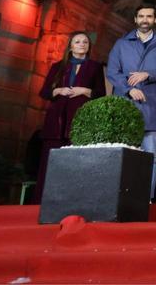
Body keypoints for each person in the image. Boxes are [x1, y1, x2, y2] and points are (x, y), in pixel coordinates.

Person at [106, 4, 156, 199]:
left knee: (150, 156)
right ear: (135, 19)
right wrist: (130, 89)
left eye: (149, 16)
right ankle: (121, 198)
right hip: (125, 106)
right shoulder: (121, 44)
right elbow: (112, 71)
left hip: (152, 107)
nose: (145, 19)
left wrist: (147, 74)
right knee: (123, 154)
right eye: (141, 16)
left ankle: (146, 199)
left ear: (155, 20)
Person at [36, 31, 105, 201]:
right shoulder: (58, 66)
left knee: (76, 163)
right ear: (70, 46)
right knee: (49, 162)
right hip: (56, 122)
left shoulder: (95, 67)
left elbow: (101, 93)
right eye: (77, 41)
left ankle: (71, 200)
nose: (81, 44)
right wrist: (57, 90)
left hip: (80, 120)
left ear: (88, 47)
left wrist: (85, 91)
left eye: (85, 42)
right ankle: (42, 201)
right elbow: (44, 92)